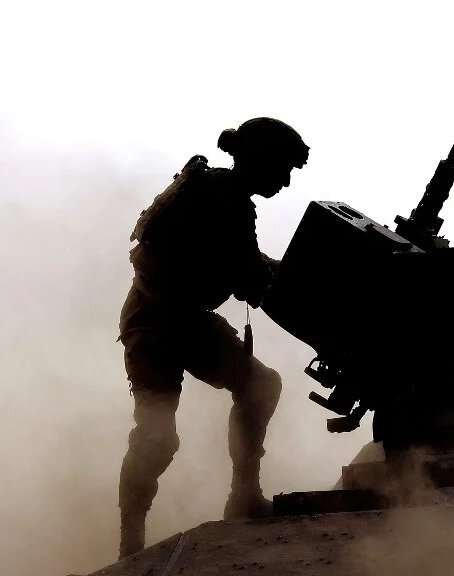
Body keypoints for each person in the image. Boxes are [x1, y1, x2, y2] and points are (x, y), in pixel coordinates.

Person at [116, 118, 309, 559]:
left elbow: (246, 263)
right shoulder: (221, 198)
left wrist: (279, 274)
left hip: (185, 322)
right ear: (259, 160)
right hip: (154, 325)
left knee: (260, 385)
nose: (285, 180)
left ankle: (244, 496)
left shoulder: (224, 194)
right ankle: (130, 544)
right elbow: (250, 275)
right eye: (282, 168)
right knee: (157, 436)